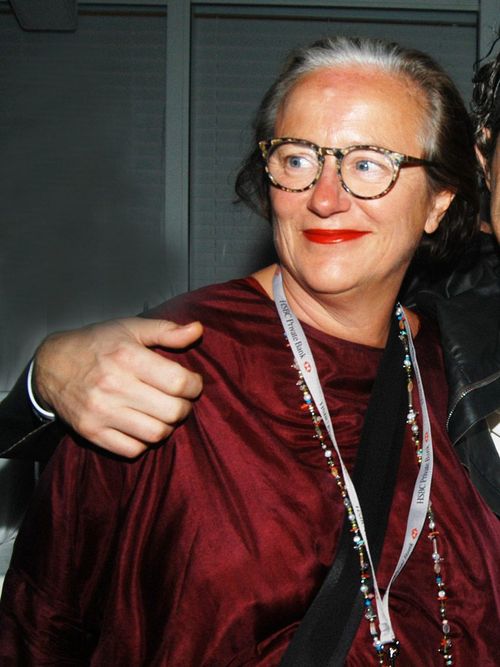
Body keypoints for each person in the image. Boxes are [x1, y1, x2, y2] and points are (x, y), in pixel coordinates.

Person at [1, 36, 499, 666]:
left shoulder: (458, 367)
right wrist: (42, 382)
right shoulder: (164, 365)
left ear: (439, 201)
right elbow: (43, 623)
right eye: (297, 159)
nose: (324, 197)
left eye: (369, 164)